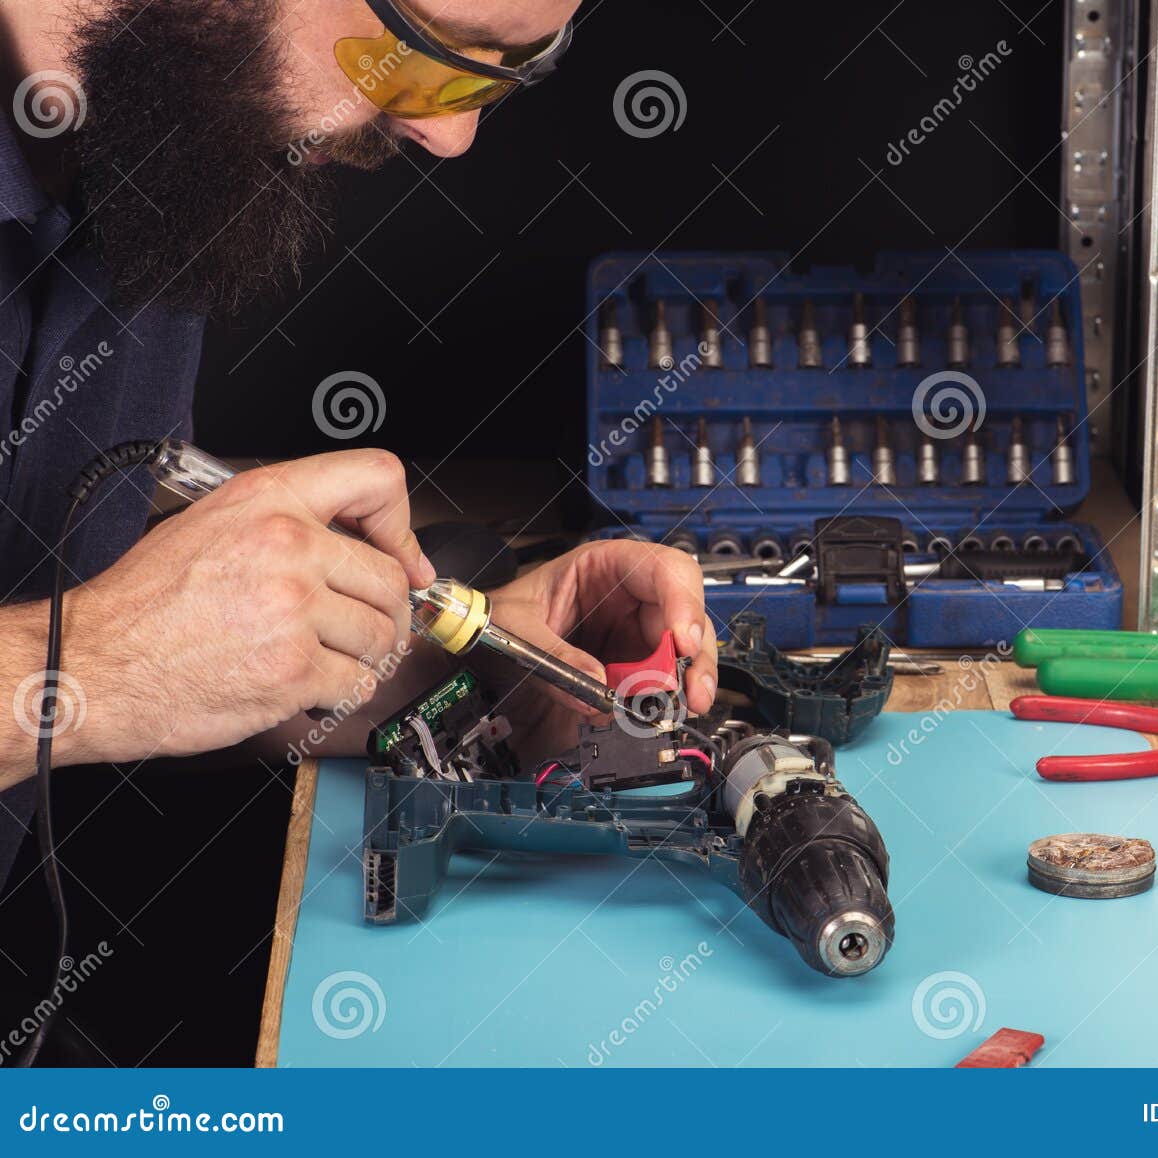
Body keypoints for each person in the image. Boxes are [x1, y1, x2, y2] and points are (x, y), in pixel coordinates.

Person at [0, 0, 719, 888]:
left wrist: (473, 673)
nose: (450, 135)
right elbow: (113, 657)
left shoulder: (158, 127)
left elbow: (154, 654)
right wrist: (97, 663)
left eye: (508, 68)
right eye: (426, 51)